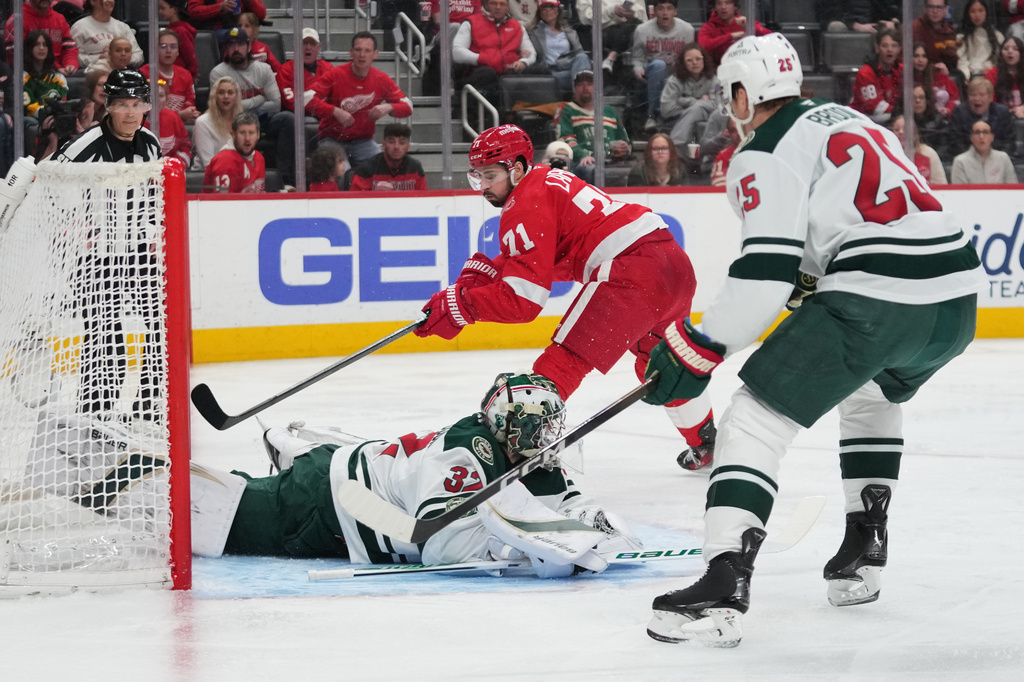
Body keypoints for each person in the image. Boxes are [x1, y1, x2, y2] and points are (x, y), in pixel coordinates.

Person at [640, 33, 984, 648]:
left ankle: (724, 575)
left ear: (745, 93)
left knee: (752, 419)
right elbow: (826, 241)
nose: (729, 106)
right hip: (955, 297)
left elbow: (764, 274)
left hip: (877, 294)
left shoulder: (762, 150)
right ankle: (865, 545)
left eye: (731, 94)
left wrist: (698, 347)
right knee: (875, 395)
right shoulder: (848, 119)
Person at [414, 124, 718, 471]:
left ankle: (509, 460)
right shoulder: (543, 178)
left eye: (490, 175)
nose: (482, 186)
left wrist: (462, 306)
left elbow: (523, 301)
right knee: (661, 365)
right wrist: (488, 276)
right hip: (671, 263)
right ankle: (706, 441)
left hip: (632, 272)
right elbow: (558, 254)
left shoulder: (522, 204)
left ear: (515, 169)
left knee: (563, 363)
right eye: (477, 177)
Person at [185, 372, 641, 575]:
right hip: (324, 505)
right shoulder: (468, 453)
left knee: (367, 462)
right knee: (208, 516)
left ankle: (297, 444)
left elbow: (571, 503)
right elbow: (438, 544)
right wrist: (524, 547)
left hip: (356, 471)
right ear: (511, 428)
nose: (551, 436)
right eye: (541, 427)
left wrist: (595, 522)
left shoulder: (525, 453)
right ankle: (136, 474)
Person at [53, 69, 163, 421]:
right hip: (96, 259)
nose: (131, 112)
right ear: (108, 105)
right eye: (122, 105)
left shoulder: (149, 142)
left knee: (160, 331)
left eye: (137, 104)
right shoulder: (84, 147)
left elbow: (152, 197)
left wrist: (149, 233)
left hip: (138, 254)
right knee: (106, 338)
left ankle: (147, 409)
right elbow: (52, 187)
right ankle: (96, 415)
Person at [310, 32, 412, 168]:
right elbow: (306, 99)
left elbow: (408, 107)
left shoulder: (381, 79)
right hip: (332, 139)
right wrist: (334, 111)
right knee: (342, 171)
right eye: (358, 50)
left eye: (367, 51)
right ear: (351, 52)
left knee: (381, 168)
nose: (362, 55)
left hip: (363, 141)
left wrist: (389, 107)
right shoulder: (335, 74)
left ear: (375, 54)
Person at [210, 26, 295, 185]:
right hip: (233, 122)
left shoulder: (264, 69)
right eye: (231, 45)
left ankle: (285, 180)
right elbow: (227, 107)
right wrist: (259, 99)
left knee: (288, 118)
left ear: (249, 47)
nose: (236, 49)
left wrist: (246, 106)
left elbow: (276, 104)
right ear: (226, 49)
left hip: (262, 119)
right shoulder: (218, 73)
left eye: (240, 44)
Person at [452, 0, 537, 111]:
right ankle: (490, 119)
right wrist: (481, 58)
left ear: (507, 7)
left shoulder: (517, 26)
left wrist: (523, 62)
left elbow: (531, 52)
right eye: (493, 3)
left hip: (508, 72)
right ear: (486, 4)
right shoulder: (471, 22)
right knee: (488, 74)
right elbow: (457, 52)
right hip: (479, 71)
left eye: (502, 4)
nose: (498, 7)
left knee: (540, 71)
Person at [556, 70, 633, 183]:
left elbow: (624, 140)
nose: (585, 87)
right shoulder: (567, 110)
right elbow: (565, 140)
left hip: (611, 162)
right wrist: (583, 155)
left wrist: (623, 149)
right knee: (593, 170)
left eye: (589, 84)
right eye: (580, 84)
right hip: (581, 163)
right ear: (574, 90)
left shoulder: (610, 111)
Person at [630, 1, 694, 134]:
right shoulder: (642, 30)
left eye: (669, 9)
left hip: (677, 73)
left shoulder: (687, 30)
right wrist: (638, 69)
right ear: (655, 11)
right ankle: (651, 117)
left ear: (675, 11)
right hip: (652, 71)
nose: (665, 13)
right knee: (659, 65)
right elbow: (637, 58)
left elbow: (690, 56)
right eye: (661, 9)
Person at [660, 42, 718, 158]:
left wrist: (685, 101)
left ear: (704, 60)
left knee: (697, 109)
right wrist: (698, 103)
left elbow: (718, 106)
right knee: (697, 109)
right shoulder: (674, 80)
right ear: (683, 63)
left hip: (708, 117)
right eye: (689, 60)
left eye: (698, 59)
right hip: (677, 118)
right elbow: (666, 109)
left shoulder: (713, 79)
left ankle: (675, 146)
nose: (695, 63)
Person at [526, 0, 591, 95]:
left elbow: (579, 54)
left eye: (551, 7)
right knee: (583, 78)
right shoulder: (532, 32)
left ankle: (579, 95)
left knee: (582, 58)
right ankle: (581, 97)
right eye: (544, 8)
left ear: (557, 11)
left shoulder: (570, 33)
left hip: (571, 69)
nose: (547, 10)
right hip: (551, 73)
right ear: (539, 12)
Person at [5, 0, 79, 76]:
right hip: (30, 74)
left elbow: (69, 49)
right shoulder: (17, 21)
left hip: (60, 70)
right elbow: (17, 58)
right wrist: (54, 69)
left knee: (88, 77)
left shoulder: (60, 19)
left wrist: (70, 64)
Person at [139, 29, 199, 124]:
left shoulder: (185, 74)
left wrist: (190, 112)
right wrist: (178, 114)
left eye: (173, 46)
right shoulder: (144, 73)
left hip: (182, 124)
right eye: (163, 46)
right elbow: (143, 108)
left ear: (178, 51)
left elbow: (190, 102)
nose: (168, 51)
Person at [577, 0, 647, 79]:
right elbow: (585, 18)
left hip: (631, 30)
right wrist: (611, 11)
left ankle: (610, 58)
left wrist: (632, 14)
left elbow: (643, 19)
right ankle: (611, 58)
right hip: (602, 32)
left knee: (635, 25)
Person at [349, 122, 427, 191]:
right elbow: (355, 201)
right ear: (383, 145)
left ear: (408, 147)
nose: (396, 147)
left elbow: (424, 200)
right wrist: (373, 193)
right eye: (391, 142)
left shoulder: (415, 167)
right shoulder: (367, 168)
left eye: (402, 143)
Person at [70, 0, 143, 73]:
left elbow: (139, 55)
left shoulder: (123, 27)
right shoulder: (79, 27)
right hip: (91, 75)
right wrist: (100, 59)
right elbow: (71, 56)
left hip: (121, 74)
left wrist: (121, 59)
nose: (109, 1)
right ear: (93, 2)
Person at [949, 76, 1014, 155]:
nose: (977, 98)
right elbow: (955, 143)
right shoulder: (959, 112)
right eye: (973, 95)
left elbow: (1009, 143)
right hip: (968, 160)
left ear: (990, 97)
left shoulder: (1002, 112)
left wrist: (993, 157)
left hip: (996, 159)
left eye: (982, 95)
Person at [203, 110, 265, 193]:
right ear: (233, 134)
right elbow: (224, 203)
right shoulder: (225, 160)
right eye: (242, 133)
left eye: (251, 133)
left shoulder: (258, 157)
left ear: (258, 135)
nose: (247, 139)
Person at [850, 28, 903, 123]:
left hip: (892, 116)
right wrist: (901, 113)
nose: (890, 50)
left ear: (899, 49)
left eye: (894, 46)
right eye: (885, 46)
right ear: (877, 48)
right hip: (864, 119)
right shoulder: (865, 73)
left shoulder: (902, 70)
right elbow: (874, 106)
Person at [275, 28, 333, 115]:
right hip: (298, 117)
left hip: (325, 115)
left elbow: (336, 98)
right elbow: (292, 103)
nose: (308, 47)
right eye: (304, 43)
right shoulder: (285, 70)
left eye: (312, 44)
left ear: (318, 48)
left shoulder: (328, 68)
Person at [697, 0, 770, 67]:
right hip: (719, 71)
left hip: (748, 69)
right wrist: (730, 36)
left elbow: (771, 38)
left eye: (728, 3)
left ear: (735, 6)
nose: (723, 7)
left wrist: (749, 27)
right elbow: (703, 45)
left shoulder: (746, 23)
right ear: (715, 7)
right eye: (719, 3)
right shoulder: (709, 27)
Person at [191, 75, 241, 169]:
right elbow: (208, 164)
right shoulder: (203, 123)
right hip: (206, 177)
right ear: (215, 96)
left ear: (236, 96)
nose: (226, 96)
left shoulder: (242, 121)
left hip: (235, 173)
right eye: (221, 93)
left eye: (230, 93)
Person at [951, 118, 1018, 182]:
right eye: (977, 133)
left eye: (985, 132)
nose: (981, 136)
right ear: (971, 138)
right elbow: (959, 192)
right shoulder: (960, 161)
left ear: (992, 137)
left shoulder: (1003, 158)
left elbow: (1012, 189)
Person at [143, 79, 191, 166]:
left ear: (166, 98)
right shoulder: (133, 121)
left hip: (170, 171)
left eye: (161, 96)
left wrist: (173, 166)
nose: (156, 100)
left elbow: (185, 147)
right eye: (152, 96)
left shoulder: (173, 118)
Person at [22, 30, 67, 119]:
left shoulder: (59, 78)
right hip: (35, 119)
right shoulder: (22, 77)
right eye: (37, 44)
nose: (41, 48)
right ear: (29, 48)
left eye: (45, 45)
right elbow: (30, 107)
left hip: (57, 118)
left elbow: (63, 102)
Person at [891, 114, 946, 185]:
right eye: (897, 129)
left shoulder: (929, 153)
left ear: (914, 133)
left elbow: (941, 186)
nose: (901, 132)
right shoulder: (885, 154)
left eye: (905, 129)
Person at [957, 0, 1003, 82]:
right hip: (970, 75)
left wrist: (990, 68)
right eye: (973, 11)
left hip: (991, 74)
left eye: (980, 11)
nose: (977, 15)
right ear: (968, 14)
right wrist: (966, 74)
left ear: (986, 12)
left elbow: (998, 59)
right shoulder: (962, 37)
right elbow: (961, 60)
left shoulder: (997, 36)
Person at [912, 42, 959, 118]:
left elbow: (955, 99)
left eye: (924, 56)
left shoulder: (939, 75)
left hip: (941, 120)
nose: (920, 60)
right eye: (916, 56)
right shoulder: (904, 77)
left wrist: (948, 109)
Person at [912, 0, 959, 76]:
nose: (935, 11)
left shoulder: (949, 31)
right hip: (919, 76)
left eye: (939, 7)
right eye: (931, 7)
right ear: (925, 8)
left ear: (946, 9)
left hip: (944, 75)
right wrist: (933, 67)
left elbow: (953, 63)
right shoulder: (914, 28)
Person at [986, 36, 1024, 118]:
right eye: (1006, 49)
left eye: (1015, 49)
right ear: (1001, 53)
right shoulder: (992, 74)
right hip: (999, 117)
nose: (1010, 51)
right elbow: (988, 100)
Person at [158, 0, 198, 78]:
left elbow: (190, 57)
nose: (160, 11)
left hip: (181, 76)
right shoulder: (172, 28)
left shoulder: (181, 31)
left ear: (175, 10)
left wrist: (191, 75)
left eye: (163, 8)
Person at [822, 0, 901, 33]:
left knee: (893, 28)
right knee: (836, 26)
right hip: (847, 25)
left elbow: (889, 7)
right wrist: (856, 26)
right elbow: (831, 13)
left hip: (873, 25)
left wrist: (893, 20)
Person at [186, 0, 266, 31]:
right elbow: (193, 11)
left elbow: (261, 14)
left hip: (240, 28)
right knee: (234, 38)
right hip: (213, 30)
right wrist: (219, 7)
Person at [708, 116, 741, 187]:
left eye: (741, 128)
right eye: (733, 130)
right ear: (729, 133)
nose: (738, 133)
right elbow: (720, 186)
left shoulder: (762, 150)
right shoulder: (723, 155)